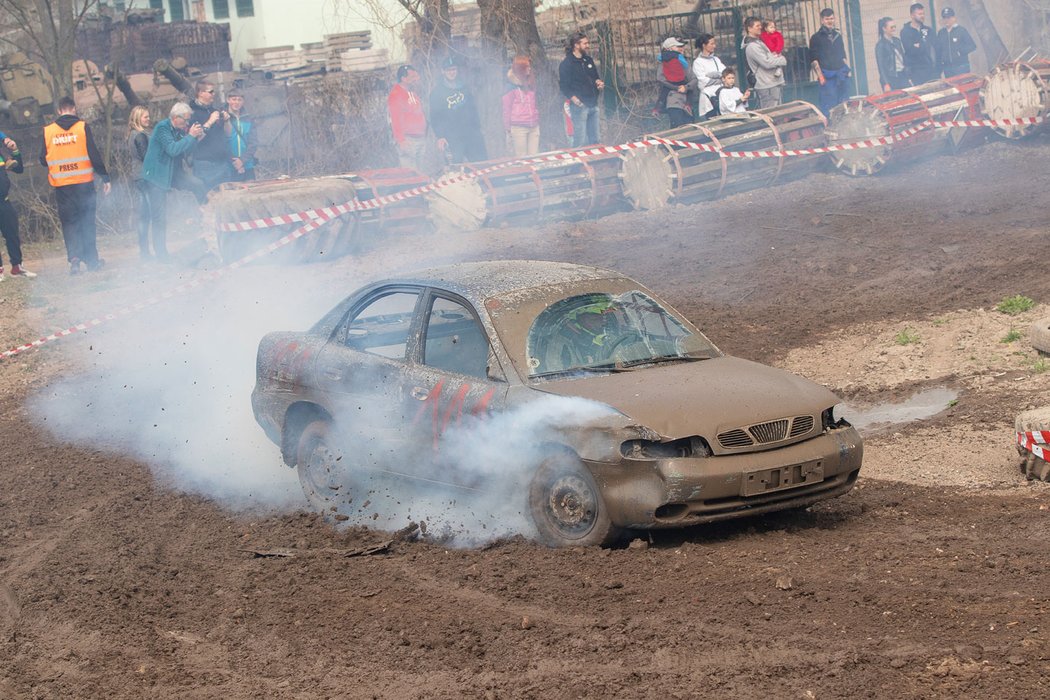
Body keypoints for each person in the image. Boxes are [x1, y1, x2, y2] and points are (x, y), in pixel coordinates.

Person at [41, 96, 111, 275]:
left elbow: (42, 159)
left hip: (63, 187)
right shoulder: (82, 127)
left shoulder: (48, 131)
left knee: (70, 224)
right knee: (87, 222)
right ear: (74, 108)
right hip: (84, 185)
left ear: (59, 110)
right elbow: (93, 153)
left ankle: (74, 261)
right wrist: (105, 177)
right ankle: (92, 261)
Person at [140, 102, 205, 262]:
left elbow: (186, 150)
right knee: (159, 217)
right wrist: (190, 136)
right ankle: (161, 254)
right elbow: (173, 149)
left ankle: (204, 214)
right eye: (185, 120)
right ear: (176, 118)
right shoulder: (163, 128)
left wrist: (195, 138)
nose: (187, 124)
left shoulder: (178, 129)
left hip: (174, 174)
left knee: (198, 185)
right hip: (156, 176)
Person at [429, 56, 487, 165]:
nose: (452, 72)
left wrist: (478, 128)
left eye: (454, 69)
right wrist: (440, 136)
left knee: (481, 163)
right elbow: (435, 117)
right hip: (452, 136)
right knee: (455, 167)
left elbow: (473, 109)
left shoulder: (464, 88)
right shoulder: (437, 93)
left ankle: (483, 182)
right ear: (443, 71)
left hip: (471, 133)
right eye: (449, 70)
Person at [559, 30, 604, 147]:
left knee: (596, 140)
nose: (588, 45)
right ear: (576, 45)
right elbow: (564, 86)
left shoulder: (588, 60)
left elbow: (595, 76)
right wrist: (574, 99)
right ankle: (579, 165)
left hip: (593, 104)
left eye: (588, 43)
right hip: (580, 106)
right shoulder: (566, 64)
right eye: (585, 43)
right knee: (581, 141)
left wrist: (598, 82)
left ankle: (596, 164)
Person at [187, 80, 230, 199]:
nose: (213, 94)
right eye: (210, 92)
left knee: (226, 199)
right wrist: (210, 122)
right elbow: (194, 139)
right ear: (200, 93)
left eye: (214, 92)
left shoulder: (214, 110)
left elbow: (228, 133)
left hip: (222, 163)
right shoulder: (191, 113)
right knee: (208, 200)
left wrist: (226, 121)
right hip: (205, 165)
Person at [0, 135, 35, 281]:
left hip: (4, 201)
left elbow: (19, 169)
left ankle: (17, 267)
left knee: (12, 234)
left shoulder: (2, 157)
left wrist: (15, 151)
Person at [809, 8, 851, 117]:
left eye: (832, 18)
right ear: (822, 20)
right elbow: (814, 59)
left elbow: (843, 55)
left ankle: (843, 126)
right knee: (829, 106)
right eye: (827, 19)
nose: (830, 21)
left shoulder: (838, 36)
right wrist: (820, 76)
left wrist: (847, 70)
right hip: (827, 77)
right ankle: (830, 127)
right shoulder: (815, 38)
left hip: (841, 74)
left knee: (844, 103)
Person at [126, 105, 155, 260]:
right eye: (145, 117)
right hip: (145, 176)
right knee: (147, 215)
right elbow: (146, 157)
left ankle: (144, 250)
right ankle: (145, 252)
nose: (148, 119)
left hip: (138, 176)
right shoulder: (140, 136)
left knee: (144, 215)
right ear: (138, 118)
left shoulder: (132, 134)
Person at [387, 64, 428, 171]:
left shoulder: (412, 92)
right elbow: (395, 119)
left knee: (422, 172)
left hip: (420, 138)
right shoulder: (396, 94)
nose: (416, 79)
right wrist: (401, 140)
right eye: (412, 77)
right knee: (411, 173)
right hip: (408, 140)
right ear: (403, 79)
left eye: (416, 76)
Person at [743, 16, 787, 109]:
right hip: (767, 84)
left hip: (771, 83)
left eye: (760, 25)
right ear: (749, 29)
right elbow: (767, 63)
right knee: (771, 113)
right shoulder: (752, 46)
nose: (760, 27)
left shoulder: (758, 42)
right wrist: (782, 60)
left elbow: (770, 58)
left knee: (777, 112)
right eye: (757, 26)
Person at [502, 55, 540, 157]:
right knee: (522, 157)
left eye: (529, 66)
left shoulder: (531, 83)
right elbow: (507, 109)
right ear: (520, 69)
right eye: (527, 67)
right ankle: (525, 173)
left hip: (534, 126)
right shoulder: (510, 87)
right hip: (519, 127)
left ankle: (534, 173)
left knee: (534, 157)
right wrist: (507, 129)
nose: (529, 68)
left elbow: (535, 103)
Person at [656, 37, 696, 128]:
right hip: (673, 101)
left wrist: (686, 87)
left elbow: (694, 79)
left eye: (682, 46)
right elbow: (661, 79)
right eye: (678, 46)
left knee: (691, 128)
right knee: (677, 129)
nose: (682, 48)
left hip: (687, 100)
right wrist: (676, 87)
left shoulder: (684, 61)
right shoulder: (664, 62)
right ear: (669, 48)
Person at [935, 7, 977, 78]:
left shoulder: (961, 30)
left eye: (949, 17)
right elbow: (938, 49)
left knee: (963, 86)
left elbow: (972, 46)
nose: (946, 20)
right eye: (944, 18)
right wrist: (941, 62)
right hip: (947, 68)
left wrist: (960, 52)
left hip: (961, 66)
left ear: (954, 18)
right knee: (952, 88)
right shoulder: (941, 33)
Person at [226, 88, 258, 181]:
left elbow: (253, 143)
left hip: (248, 164)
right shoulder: (223, 118)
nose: (237, 102)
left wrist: (242, 160)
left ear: (243, 101)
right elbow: (222, 143)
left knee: (251, 192)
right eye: (234, 99)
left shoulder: (248, 118)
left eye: (239, 100)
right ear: (228, 100)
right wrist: (235, 162)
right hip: (229, 166)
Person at [692, 33, 726, 119]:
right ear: (704, 45)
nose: (714, 46)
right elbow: (702, 81)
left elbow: (725, 74)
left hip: (722, 94)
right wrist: (719, 78)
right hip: (709, 98)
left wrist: (712, 75)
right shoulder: (698, 62)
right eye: (712, 44)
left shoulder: (716, 59)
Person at [900, 3, 936, 85]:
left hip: (929, 70)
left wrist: (918, 45)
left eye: (923, 13)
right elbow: (910, 51)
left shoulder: (928, 30)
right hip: (915, 72)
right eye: (919, 14)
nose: (922, 16)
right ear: (912, 15)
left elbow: (934, 47)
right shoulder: (905, 32)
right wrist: (923, 44)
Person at [875, 17, 909, 91]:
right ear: (884, 29)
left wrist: (908, 76)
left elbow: (903, 58)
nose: (894, 29)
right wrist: (886, 83)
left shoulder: (897, 41)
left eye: (894, 27)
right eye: (891, 27)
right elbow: (881, 66)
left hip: (902, 75)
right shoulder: (880, 45)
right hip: (891, 77)